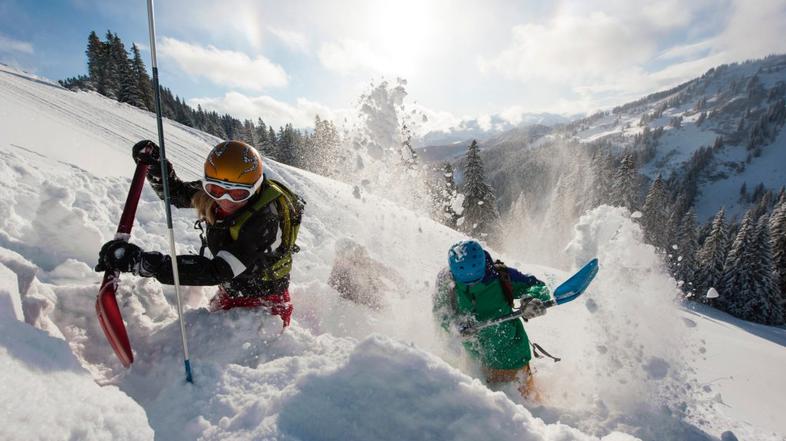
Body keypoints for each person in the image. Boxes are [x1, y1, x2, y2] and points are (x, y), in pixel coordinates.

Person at [95, 140, 304, 328]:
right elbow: (176, 194)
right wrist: (158, 170)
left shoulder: (264, 219)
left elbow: (218, 270)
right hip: (232, 290)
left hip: (266, 306)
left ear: (256, 188)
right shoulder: (216, 191)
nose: (225, 200)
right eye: (215, 190)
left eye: (239, 193)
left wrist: (144, 263)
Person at [433, 240, 551, 397]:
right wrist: (455, 326)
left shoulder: (500, 275)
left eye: (477, 280)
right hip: (476, 361)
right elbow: (441, 314)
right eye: (467, 282)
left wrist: (531, 299)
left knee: (526, 406)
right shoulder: (446, 282)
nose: (473, 285)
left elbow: (536, 285)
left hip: (512, 359)